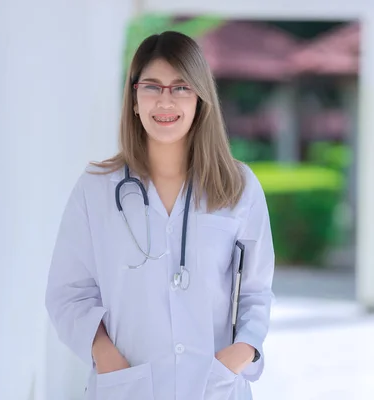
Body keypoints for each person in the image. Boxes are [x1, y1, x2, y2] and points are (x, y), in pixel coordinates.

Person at [45, 30, 275, 400]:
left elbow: (256, 292)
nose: (165, 101)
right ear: (134, 99)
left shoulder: (239, 187)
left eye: (181, 87)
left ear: (200, 98)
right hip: (126, 387)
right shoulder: (96, 189)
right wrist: (106, 357)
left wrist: (240, 354)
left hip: (213, 388)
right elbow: (68, 294)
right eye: (152, 86)